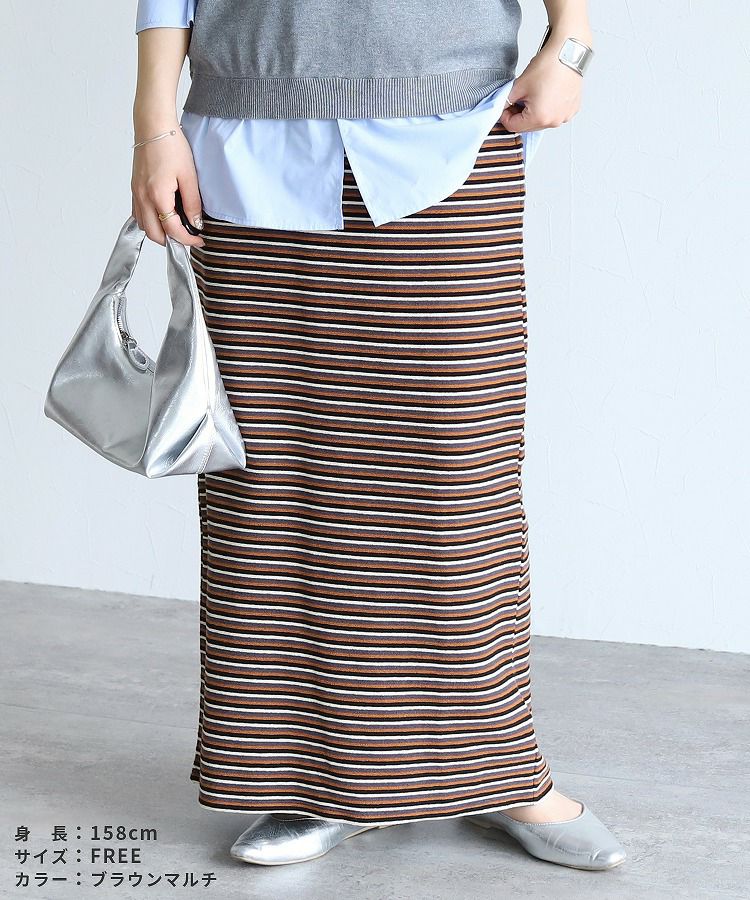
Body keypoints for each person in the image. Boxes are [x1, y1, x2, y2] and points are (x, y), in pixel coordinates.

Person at [131, 0, 626, 872]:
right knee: (281, 488)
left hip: (451, 128)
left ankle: (497, 769)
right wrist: (154, 125)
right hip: (248, 137)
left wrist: (572, 40)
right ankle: (315, 781)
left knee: (454, 479)